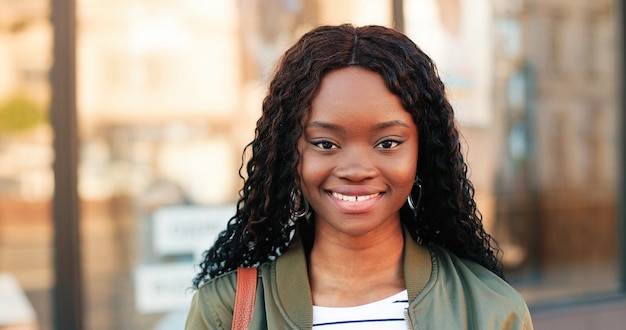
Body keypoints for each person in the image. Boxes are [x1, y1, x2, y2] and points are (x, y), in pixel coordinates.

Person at [185, 24, 533, 329]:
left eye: (387, 143)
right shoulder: (226, 312)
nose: (356, 170)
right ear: (290, 153)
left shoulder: (490, 310)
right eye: (325, 143)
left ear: (422, 152)